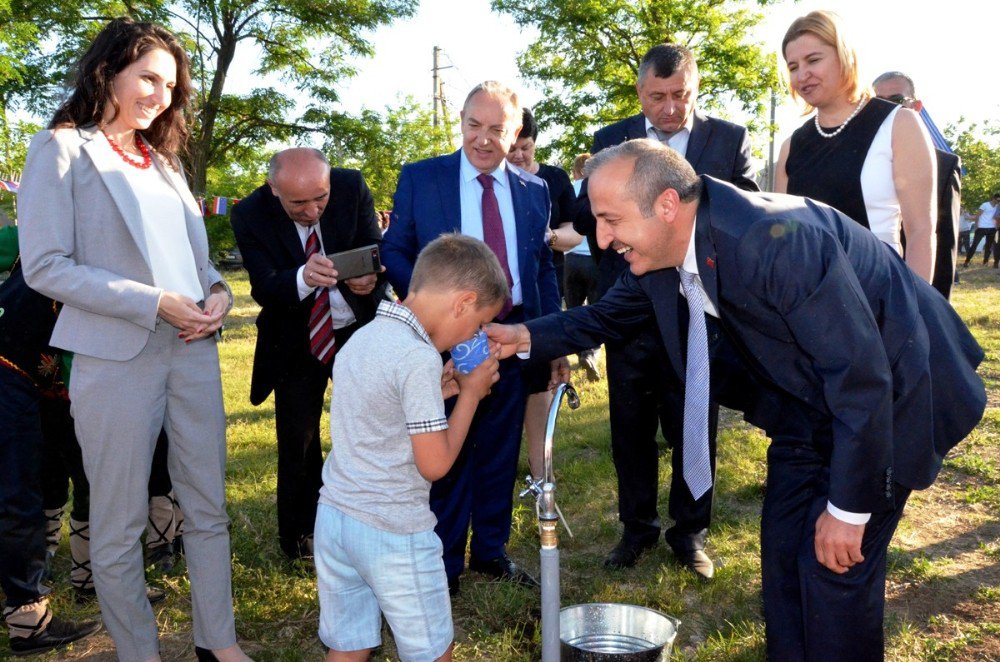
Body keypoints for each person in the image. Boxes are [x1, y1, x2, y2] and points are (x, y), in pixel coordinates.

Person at [487, 139, 986, 660]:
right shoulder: (664, 250)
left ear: (666, 205)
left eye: (610, 220)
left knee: (831, 569)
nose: (603, 239)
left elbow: (860, 377)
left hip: (896, 398)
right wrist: (520, 338)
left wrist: (849, 510)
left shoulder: (775, 243)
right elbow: (604, 317)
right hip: (807, 410)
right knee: (785, 555)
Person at [18, 18, 250, 662]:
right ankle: (138, 652)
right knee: (118, 523)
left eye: (171, 85)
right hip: (115, 357)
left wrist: (219, 295)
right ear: (107, 71)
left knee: (208, 508)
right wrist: (155, 303)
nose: (160, 95)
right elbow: (45, 266)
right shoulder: (61, 148)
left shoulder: (166, 162)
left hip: (195, 352)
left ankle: (218, 642)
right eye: (148, 77)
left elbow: (198, 264)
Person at [574, 43, 759, 577]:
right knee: (629, 428)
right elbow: (592, 216)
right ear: (640, 93)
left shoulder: (727, 139)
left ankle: (691, 531)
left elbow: (738, 211)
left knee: (693, 423)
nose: (671, 108)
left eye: (681, 95)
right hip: (628, 306)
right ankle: (636, 530)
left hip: (695, 308)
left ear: (695, 88)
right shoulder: (610, 140)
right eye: (658, 97)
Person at [381, 81, 563, 594]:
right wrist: (438, 309)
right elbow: (394, 251)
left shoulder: (535, 190)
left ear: (516, 132)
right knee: (450, 445)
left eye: (497, 130)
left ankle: (490, 549)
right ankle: (444, 561)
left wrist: (549, 339)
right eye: (473, 126)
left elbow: (542, 268)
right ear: (460, 121)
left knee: (500, 445)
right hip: (447, 339)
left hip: (513, 333)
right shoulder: (423, 178)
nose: (483, 139)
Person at [315, 234, 504, 662]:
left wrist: (444, 391)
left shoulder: (363, 338)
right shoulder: (418, 358)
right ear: (462, 302)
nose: (471, 335)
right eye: (476, 324)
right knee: (432, 651)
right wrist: (471, 395)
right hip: (393, 530)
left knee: (349, 642)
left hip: (336, 518)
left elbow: (383, 414)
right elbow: (434, 464)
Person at [230, 147, 385, 561]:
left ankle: (375, 517)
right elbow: (264, 286)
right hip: (295, 338)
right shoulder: (249, 214)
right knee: (298, 436)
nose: (313, 210)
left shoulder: (351, 187)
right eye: (299, 202)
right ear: (273, 189)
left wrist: (370, 274)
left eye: (321, 197)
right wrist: (302, 277)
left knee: (373, 427)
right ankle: (301, 536)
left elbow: (374, 245)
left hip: (358, 329)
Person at [0, 226, 102, 656]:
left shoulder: (40, 244)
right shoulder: (76, 253)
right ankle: (28, 619)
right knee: (17, 497)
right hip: (10, 378)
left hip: (19, 377)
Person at [777, 11, 937, 285]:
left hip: (880, 297)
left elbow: (921, 230)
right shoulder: (791, 145)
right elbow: (783, 235)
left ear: (845, 57)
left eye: (813, 60)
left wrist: (916, 312)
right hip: (806, 305)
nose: (802, 75)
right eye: (793, 67)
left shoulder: (898, 123)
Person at [506, 106, 583, 478]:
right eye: (513, 148)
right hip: (505, 294)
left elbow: (575, 233)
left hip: (545, 286)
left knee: (539, 385)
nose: (519, 155)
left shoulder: (552, 180)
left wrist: (547, 238)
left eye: (526, 147)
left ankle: (542, 476)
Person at [872, 71, 962, 299]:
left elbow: (943, 248)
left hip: (915, 294)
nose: (885, 110)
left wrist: (933, 309)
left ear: (917, 106)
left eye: (895, 101)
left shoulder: (944, 165)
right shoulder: (860, 161)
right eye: (876, 103)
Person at [563, 153, 601, 382]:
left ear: (576, 172)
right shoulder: (598, 187)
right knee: (597, 310)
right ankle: (592, 353)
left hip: (571, 260)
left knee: (575, 309)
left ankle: (581, 351)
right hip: (594, 260)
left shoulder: (569, 191)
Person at [964, 193, 1000, 268]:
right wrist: (977, 226)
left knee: (988, 246)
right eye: (998, 200)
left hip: (992, 228)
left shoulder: (997, 207)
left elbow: (997, 217)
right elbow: (978, 215)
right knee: (974, 245)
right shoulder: (985, 205)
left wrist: (996, 226)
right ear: (994, 198)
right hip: (982, 227)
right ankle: (967, 261)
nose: (998, 202)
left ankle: (985, 262)